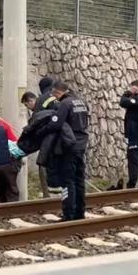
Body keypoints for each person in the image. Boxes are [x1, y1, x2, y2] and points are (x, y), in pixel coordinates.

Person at [48, 80, 90, 221]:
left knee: (68, 181)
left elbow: (56, 124)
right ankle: (80, 212)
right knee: (79, 179)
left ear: (58, 92)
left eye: (55, 95)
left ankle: (68, 214)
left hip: (69, 146)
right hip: (81, 144)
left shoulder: (65, 104)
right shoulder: (81, 102)